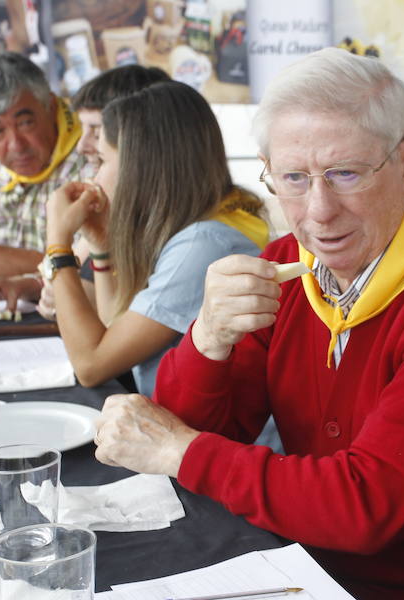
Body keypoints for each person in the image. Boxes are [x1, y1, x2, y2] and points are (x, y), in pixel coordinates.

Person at [92, 48, 404, 600]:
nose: (320, 211)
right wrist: (208, 338)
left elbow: (368, 506)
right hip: (301, 563)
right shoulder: (288, 264)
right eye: (294, 178)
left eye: (345, 173)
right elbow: (199, 428)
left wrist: (179, 450)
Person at [44, 81, 268, 397]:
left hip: (213, 440)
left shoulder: (202, 245)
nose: (95, 178)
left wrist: (58, 244)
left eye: (103, 162)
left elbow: (92, 365)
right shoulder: (189, 233)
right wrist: (101, 249)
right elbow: (115, 329)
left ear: (138, 168)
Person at [0, 64, 171, 321]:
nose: (84, 146)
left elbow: (100, 349)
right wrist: (36, 285)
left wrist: (58, 242)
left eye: (97, 131)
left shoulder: (105, 182)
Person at [0, 52, 90, 276]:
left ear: (51, 107)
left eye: (25, 123)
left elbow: (88, 269)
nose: (15, 145)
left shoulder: (92, 158)